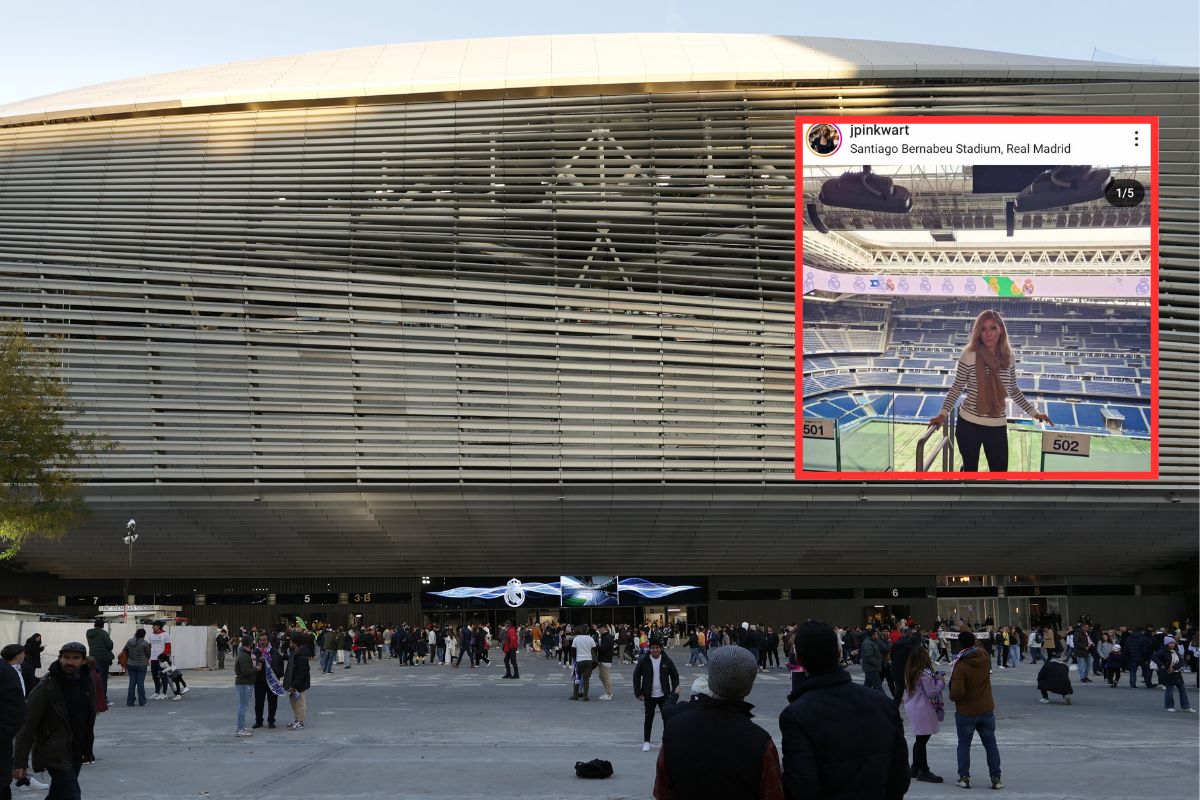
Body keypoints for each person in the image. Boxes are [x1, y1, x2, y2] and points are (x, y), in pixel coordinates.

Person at [778, 621, 909, 800]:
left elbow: (802, 787)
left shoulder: (796, 715)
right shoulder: (884, 704)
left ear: (799, 660)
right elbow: (900, 777)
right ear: (839, 652)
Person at [928, 309, 1052, 472]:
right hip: (969, 424)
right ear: (978, 332)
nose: (988, 334)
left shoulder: (1008, 357)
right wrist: (942, 414)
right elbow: (957, 387)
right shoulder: (969, 355)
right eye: (983, 329)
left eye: (993, 328)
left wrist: (1035, 413)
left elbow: (1013, 389)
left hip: (997, 425)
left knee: (999, 473)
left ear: (1000, 330)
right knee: (970, 472)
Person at [653, 646, 783, 800]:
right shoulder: (761, 742)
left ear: (711, 680)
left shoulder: (674, 729)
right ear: (749, 686)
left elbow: (662, 792)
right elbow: (774, 794)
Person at [12, 643, 96, 799]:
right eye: (66, 657)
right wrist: (20, 762)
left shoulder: (86, 682)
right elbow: (27, 726)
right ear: (59, 658)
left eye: (75, 658)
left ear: (83, 661)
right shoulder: (47, 686)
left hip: (77, 750)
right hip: (53, 752)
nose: (70, 662)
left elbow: (88, 717)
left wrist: (87, 747)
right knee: (72, 794)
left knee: (58, 794)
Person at [948, 631, 1002, 790]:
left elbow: (957, 692)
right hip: (986, 708)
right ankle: (996, 778)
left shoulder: (961, 665)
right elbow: (975, 644)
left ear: (959, 645)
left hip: (967, 711)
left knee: (964, 744)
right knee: (991, 744)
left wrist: (952, 696)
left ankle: (964, 777)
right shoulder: (984, 658)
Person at [903, 643, 946, 784]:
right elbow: (932, 692)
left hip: (913, 706)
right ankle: (924, 770)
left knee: (920, 739)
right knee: (922, 740)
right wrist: (940, 682)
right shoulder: (924, 671)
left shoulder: (910, 670)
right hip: (923, 707)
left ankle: (915, 767)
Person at [634, 640, 679, 752]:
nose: (655, 650)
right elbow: (636, 676)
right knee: (649, 719)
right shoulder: (644, 660)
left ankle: (666, 743)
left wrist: (674, 692)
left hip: (664, 695)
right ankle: (646, 742)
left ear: (661, 649)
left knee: (667, 719)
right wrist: (638, 693)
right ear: (650, 649)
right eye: (653, 648)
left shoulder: (666, 661)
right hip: (649, 695)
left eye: (657, 648)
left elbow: (675, 676)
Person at [1154, 636, 1195, 713]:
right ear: (1166, 644)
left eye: (1173, 643)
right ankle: (1169, 706)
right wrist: (1162, 665)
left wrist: (1174, 667)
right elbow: (1154, 657)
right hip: (1167, 673)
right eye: (1170, 643)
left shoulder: (1176, 651)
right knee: (1169, 690)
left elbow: (1181, 662)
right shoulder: (1163, 651)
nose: (1172, 644)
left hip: (1177, 673)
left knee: (1182, 689)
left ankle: (1186, 706)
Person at [282, 634, 311, 729]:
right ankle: (296, 719)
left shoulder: (302, 655)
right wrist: (283, 656)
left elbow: (302, 672)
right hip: (293, 681)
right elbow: (292, 659)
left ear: (295, 643)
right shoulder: (297, 652)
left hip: (299, 684)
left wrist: (294, 685)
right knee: (293, 702)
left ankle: (300, 721)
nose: (289, 643)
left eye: (291, 641)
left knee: (299, 703)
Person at [84, 619, 114, 709]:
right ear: (103, 625)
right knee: (103, 679)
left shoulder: (89, 633)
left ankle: (94, 698)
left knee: (94, 678)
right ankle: (103, 699)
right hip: (103, 659)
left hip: (93, 658)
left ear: (94, 625)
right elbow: (110, 645)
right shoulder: (103, 633)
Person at [234, 636, 259, 736]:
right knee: (243, 707)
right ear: (249, 644)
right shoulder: (244, 656)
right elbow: (246, 671)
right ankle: (240, 729)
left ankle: (242, 726)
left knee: (243, 706)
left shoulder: (243, 653)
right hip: (244, 683)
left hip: (244, 683)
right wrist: (256, 668)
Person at [122, 628, 151, 707]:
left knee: (132, 683)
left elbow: (124, 650)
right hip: (142, 665)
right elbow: (148, 654)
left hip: (131, 664)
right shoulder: (145, 643)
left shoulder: (129, 641)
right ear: (144, 635)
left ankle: (130, 702)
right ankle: (142, 702)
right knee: (140, 683)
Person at [147, 622, 172, 700]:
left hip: (162, 660)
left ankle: (164, 693)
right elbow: (149, 647)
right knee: (155, 677)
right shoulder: (151, 635)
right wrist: (148, 657)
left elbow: (168, 647)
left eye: (154, 626)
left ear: (158, 626)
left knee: (163, 676)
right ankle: (156, 692)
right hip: (153, 659)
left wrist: (163, 656)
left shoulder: (165, 635)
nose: (152, 627)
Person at [571, 626, 597, 701]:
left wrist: (575, 658)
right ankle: (585, 696)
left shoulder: (576, 639)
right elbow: (595, 649)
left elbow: (573, 650)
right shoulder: (590, 639)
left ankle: (575, 695)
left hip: (579, 660)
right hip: (588, 660)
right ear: (587, 630)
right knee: (586, 679)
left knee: (577, 678)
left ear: (580, 630)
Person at [595, 623, 616, 700]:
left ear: (603, 628)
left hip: (605, 659)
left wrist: (596, 645)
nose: (598, 631)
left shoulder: (607, 637)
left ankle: (608, 694)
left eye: (599, 629)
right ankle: (608, 691)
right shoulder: (606, 636)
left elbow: (603, 649)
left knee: (606, 677)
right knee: (601, 676)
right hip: (603, 659)